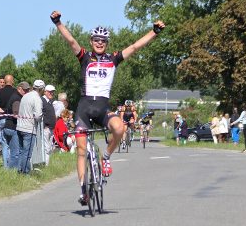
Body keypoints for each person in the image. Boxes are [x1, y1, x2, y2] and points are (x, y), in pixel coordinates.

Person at [50, 10, 165, 206]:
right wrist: (58, 22)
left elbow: (135, 46)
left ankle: (105, 157)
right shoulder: (85, 57)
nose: (100, 42)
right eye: (96, 39)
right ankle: (83, 191)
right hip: (84, 108)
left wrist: (154, 32)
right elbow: (71, 41)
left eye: (103, 40)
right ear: (91, 41)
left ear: (107, 43)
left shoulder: (113, 59)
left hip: (103, 107)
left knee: (120, 128)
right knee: (80, 149)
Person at [17, 80, 44, 174]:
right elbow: (37, 116)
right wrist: (40, 118)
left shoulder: (25, 96)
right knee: (27, 153)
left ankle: (20, 170)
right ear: (42, 89)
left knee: (21, 151)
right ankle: (25, 173)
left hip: (19, 127)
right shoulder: (37, 99)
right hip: (29, 128)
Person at [0, 74, 18, 168]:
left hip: (2, 119)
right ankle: (13, 166)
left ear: (5, 81)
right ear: (12, 81)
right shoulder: (16, 92)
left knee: (4, 144)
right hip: (12, 120)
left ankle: (5, 167)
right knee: (14, 144)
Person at [42, 84, 57, 165]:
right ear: (45, 92)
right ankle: (45, 165)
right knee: (46, 148)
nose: (51, 93)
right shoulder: (42, 101)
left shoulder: (50, 102)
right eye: (50, 92)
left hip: (51, 128)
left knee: (49, 148)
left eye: (52, 92)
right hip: (46, 128)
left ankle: (47, 164)